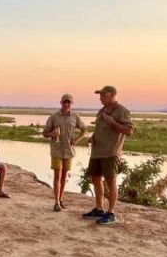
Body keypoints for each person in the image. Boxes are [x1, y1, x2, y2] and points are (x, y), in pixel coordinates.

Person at [82, 85, 134, 225]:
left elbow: (129, 131)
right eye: (100, 95)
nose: (100, 98)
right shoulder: (101, 111)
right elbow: (100, 128)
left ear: (112, 95)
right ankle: (99, 208)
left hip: (111, 152)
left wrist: (113, 122)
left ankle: (110, 213)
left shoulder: (122, 111)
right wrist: (93, 137)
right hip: (97, 151)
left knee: (111, 181)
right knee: (95, 179)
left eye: (103, 95)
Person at [43, 94, 87, 212]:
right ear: (61, 103)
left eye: (69, 102)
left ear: (72, 103)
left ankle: (61, 199)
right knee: (57, 175)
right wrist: (52, 134)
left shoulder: (75, 117)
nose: (66, 104)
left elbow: (84, 130)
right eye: (64, 102)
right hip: (56, 150)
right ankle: (56, 202)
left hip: (69, 151)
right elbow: (44, 133)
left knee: (64, 175)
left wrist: (76, 140)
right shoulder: (54, 117)